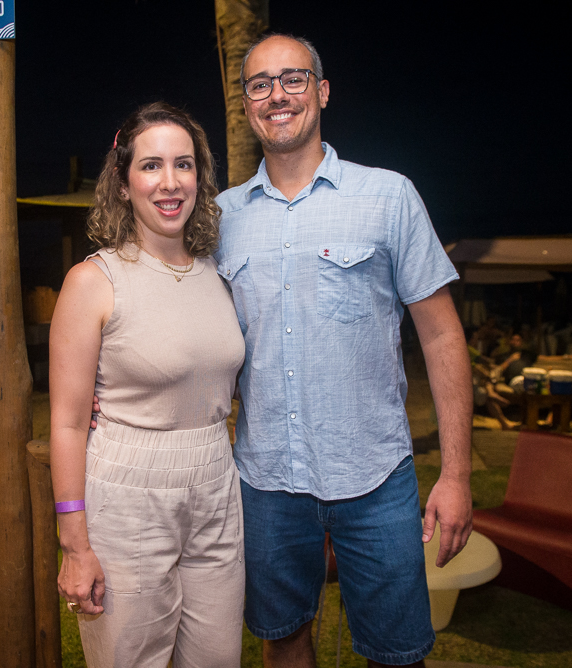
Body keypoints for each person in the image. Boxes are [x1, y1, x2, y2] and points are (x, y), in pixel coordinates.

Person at [214, 34, 473, 667]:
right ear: (246, 105)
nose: (277, 95)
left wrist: (457, 475)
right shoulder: (220, 219)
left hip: (375, 477)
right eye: (259, 84)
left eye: (293, 79)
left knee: (397, 654)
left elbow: (442, 335)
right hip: (266, 481)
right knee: (283, 639)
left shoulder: (388, 196)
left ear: (322, 91)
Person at [49, 102, 246, 667]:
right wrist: (74, 544)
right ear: (122, 182)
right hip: (129, 496)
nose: (170, 182)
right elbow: (67, 423)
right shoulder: (93, 281)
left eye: (184, 164)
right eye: (151, 165)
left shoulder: (217, 274)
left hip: (216, 485)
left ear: (200, 178)